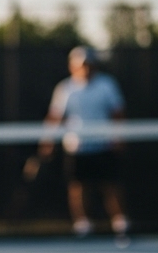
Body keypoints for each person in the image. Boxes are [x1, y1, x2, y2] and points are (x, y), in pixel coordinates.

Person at [38, 46, 130, 240]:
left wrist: (118, 137)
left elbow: (118, 114)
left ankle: (120, 222)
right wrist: (47, 140)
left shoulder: (107, 85)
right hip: (76, 146)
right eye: (81, 65)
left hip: (103, 144)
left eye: (89, 65)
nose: (86, 69)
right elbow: (55, 117)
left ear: (95, 66)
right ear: (73, 67)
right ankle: (83, 224)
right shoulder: (65, 88)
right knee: (77, 186)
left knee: (110, 185)